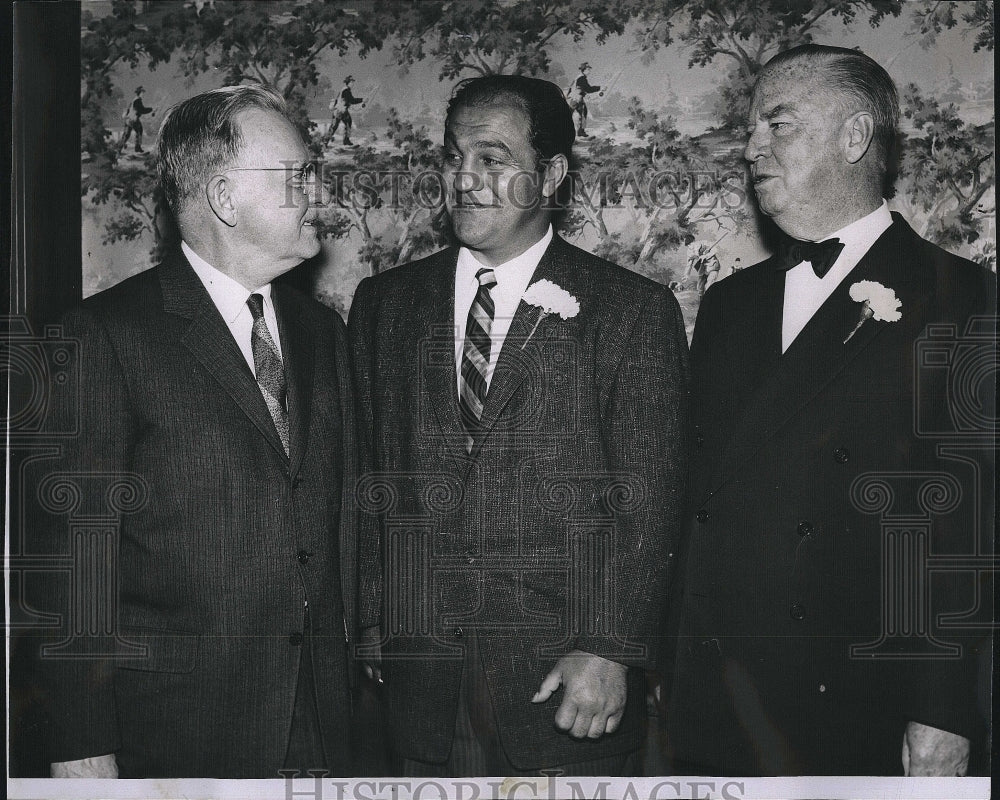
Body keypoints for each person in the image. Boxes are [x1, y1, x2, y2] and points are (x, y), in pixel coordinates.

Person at [666, 44, 995, 776]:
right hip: (719, 702)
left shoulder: (963, 298)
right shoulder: (729, 305)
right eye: (750, 131)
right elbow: (698, 504)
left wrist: (943, 706)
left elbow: (970, 522)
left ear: (855, 138)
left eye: (777, 125)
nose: (751, 149)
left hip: (860, 696)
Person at [349, 74, 688, 776]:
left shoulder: (630, 310)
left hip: (563, 686)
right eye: (452, 156)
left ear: (552, 175)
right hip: (421, 682)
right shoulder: (386, 304)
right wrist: (375, 618)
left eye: (492, 160)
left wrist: (610, 647)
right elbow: (369, 471)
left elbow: (650, 496)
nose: (464, 179)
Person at [32, 85, 366, 778]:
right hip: (180, 736)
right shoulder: (105, 337)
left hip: (324, 728)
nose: (317, 192)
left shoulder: (322, 333)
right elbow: (74, 564)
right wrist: (81, 746)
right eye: (298, 175)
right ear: (223, 197)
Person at [325, 75, 364, 147]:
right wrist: (362, 100)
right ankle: (325, 142)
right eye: (351, 82)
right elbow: (352, 100)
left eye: (353, 82)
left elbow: (348, 102)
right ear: (348, 83)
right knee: (334, 126)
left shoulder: (345, 90)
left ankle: (346, 140)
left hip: (343, 111)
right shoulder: (346, 90)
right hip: (339, 111)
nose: (353, 84)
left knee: (348, 122)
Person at [118, 86, 155, 154]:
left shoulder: (134, 100)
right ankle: (137, 148)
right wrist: (151, 109)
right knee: (139, 131)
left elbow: (129, 110)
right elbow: (141, 110)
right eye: (142, 92)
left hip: (129, 119)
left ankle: (119, 149)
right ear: (140, 93)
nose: (143, 94)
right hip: (134, 120)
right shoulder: (138, 100)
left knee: (126, 135)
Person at [569, 62, 601, 138]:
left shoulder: (578, 77)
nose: (589, 71)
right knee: (583, 114)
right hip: (577, 98)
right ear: (584, 70)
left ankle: (578, 131)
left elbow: (577, 88)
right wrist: (599, 88)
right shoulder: (582, 78)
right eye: (588, 69)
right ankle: (580, 132)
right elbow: (588, 89)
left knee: (571, 113)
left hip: (574, 98)